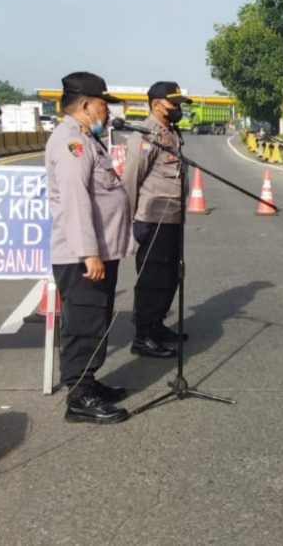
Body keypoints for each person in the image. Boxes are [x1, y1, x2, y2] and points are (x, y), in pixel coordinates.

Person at [46, 72, 132, 424]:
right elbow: (75, 201)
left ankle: (89, 382)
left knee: (95, 320)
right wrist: (89, 253)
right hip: (82, 256)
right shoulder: (72, 144)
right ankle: (80, 397)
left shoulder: (86, 139)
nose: (108, 112)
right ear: (85, 105)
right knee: (83, 324)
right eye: (103, 105)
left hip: (98, 251)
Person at [120, 81, 193, 359]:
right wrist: (127, 219)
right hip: (152, 217)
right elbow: (131, 178)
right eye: (174, 104)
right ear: (156, 105)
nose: (178, 109)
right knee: (153, 278)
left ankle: (157, 324)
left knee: (171, 275)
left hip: (172, 216)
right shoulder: (146, 135)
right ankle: (143, 335)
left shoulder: (170, 132)